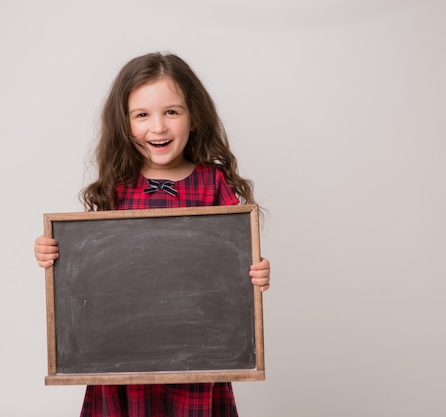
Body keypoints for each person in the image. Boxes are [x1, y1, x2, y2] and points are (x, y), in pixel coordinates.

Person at [34, 51, 271, 417]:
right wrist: (52, 253)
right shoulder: (116, 188)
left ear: (194, 118)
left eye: (171, 112)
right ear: (125, 124)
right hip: (122, 363)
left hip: (197, 360)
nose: (157, 127)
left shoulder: (213, 183)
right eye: (142, 115)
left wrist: (255, 273)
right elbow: (90, 269)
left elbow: (237, 257)